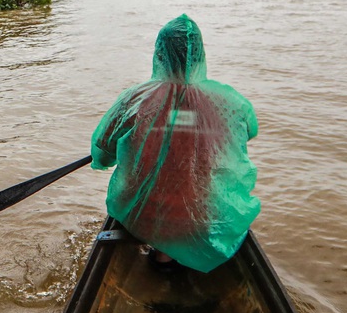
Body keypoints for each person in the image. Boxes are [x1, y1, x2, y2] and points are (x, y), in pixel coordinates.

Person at [91, 14, 259, 272]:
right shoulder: (230, 103)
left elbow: (103, 154)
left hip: (142, 214)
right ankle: (178, 255)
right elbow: (248, 133)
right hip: (202, 217)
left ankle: (161, 258)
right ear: (200, 56)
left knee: (152, 207)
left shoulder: (135, 99)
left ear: (160, 54)